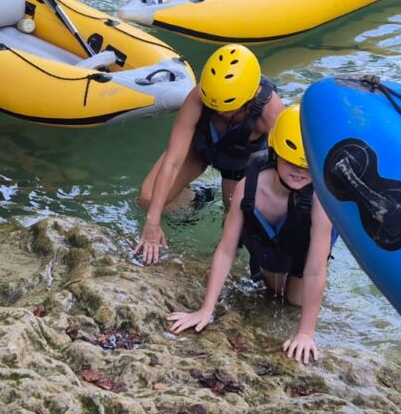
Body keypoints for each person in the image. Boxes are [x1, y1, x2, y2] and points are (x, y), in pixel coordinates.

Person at [167, 105, 335, 365]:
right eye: (291, 161)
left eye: (307, 167)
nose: (299, 172)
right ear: (275, 152)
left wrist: (305, 333)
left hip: (305, 237)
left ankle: (305, 295)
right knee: (272, 288)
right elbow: (226, 248)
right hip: (268, 233)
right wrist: (206, 309)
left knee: (294, 300)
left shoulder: (320, 202)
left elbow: (315, 269)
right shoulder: (250, 186)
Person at [135, 44, 284, 265]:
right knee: (147, 200)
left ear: (248, 97)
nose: (219, 112)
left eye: (227, 108)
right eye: (213, 105)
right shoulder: (198, 97)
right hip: (202, 147)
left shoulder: (271, 112)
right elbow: (173, 160)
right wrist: (152, 222)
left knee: (236, 221)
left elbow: (286, 170)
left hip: (240, 163)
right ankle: (197, 199)